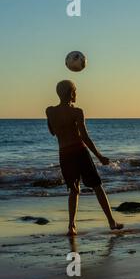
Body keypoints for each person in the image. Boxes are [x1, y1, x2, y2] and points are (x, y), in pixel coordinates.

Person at [46, 80, 124, 236]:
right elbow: (85, 137)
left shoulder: (50, 111)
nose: (76, 94)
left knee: (74, 190)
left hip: (64, 153)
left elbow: (52, 132)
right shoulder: (77, 112)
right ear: (71, 93)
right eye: (75, 91)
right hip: (79, 151)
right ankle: (111, 222)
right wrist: (100, 156)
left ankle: (71, 226)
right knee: (97, 186)